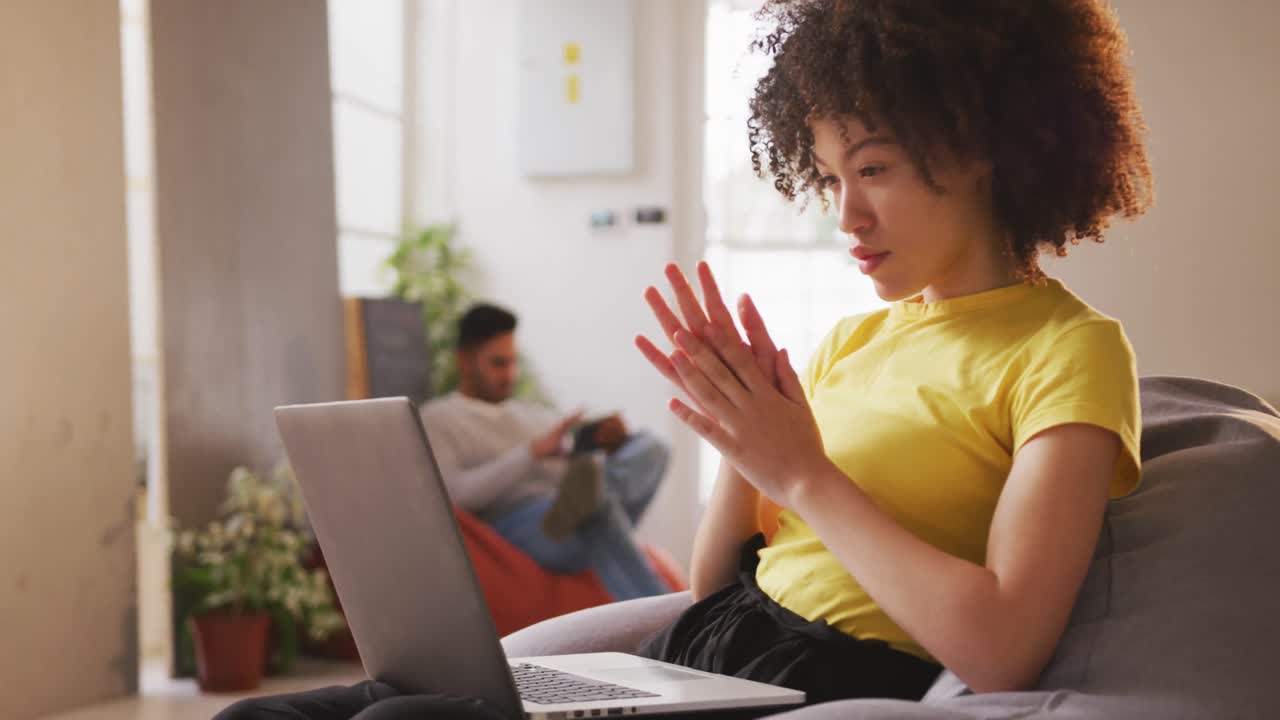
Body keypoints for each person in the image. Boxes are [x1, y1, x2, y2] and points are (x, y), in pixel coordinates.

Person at [216, 0, 1152, 717]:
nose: (846, 217)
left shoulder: (1068, 351)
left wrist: (803, 470)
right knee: (273, 713)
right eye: (829, 177)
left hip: (831, 678)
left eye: (873, 170)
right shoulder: (854, 341)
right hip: (709, 652)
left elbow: (1002, 648)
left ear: (985, 147)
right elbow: (713, 587)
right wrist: (740, 441)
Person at [419, 302, 672, 603]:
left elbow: (574, 477)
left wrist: (605, 445)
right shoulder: (438, 419)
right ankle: (666, 611)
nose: (510, 374)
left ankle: (594, 499)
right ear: (464, 361)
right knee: (593, 501)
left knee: (651, 446)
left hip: (568, 509)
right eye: (499, 363)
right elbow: (457, 494)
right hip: (521, 523)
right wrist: (532, 454)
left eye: (514, 363)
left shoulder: (535, 416)